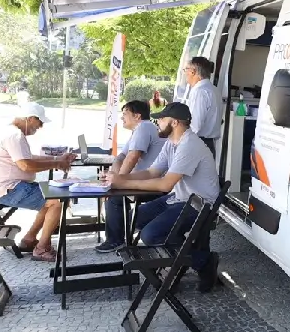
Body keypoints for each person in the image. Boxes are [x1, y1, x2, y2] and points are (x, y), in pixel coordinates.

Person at [104, 102, 221, 292]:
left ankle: (203, 261)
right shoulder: (171, 143)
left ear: (174, 122)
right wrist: (120, 178)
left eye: (161, 119)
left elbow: (165, 184)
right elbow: (152, 172)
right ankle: (181, 255)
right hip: (180, 198)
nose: (157, 122)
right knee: (135, 219)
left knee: (151, 234)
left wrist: (123, 183)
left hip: (200, 204)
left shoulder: (189, 144)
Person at [0, 102, 76, 261]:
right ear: (31, 118)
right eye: (39, 122)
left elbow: (28, 158)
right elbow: (25, 165)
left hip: (9, 187)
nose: (40, 127)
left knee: (52, 197)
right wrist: (56, 163)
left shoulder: (11, 132)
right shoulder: (14, 135)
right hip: (10, 189)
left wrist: (56, 159)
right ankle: (41, 248)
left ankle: (29, 239)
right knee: (58, 201)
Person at [95, 100, 166, 253]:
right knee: (114, 194)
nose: (122, 118)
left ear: (137, 116)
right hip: (141, 179)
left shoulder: (145, 127)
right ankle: (120, 235)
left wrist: (118, 181)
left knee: (114, 200)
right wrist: (114, 177)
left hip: (151, 183)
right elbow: (121, 157)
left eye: (125, 114)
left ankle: (116, 240)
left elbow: (133, 156)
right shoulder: (139, 129)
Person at [181, 57, 221, 157]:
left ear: (193, 71)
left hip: (197, 143)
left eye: (186, 70)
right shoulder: (214, 90)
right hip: (208, 143)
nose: (185, 73)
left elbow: (195, 125)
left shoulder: (200, 91)